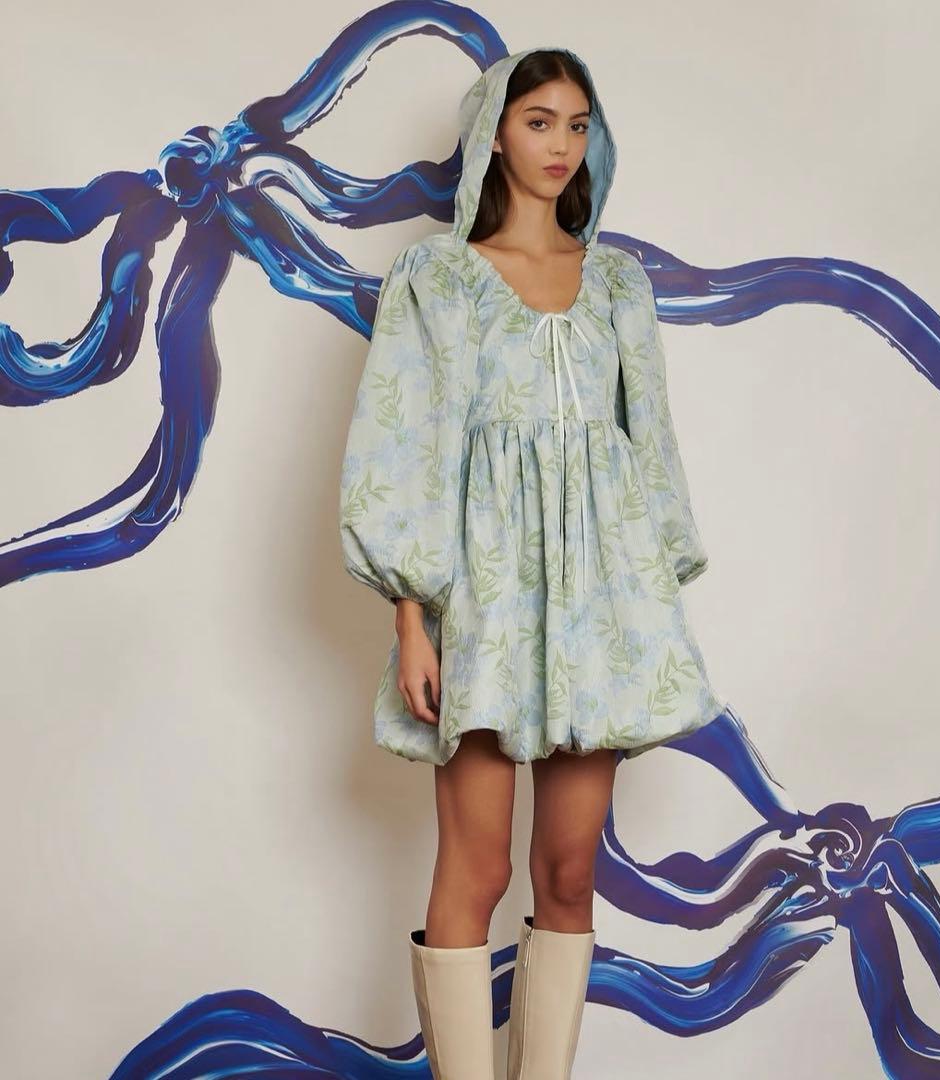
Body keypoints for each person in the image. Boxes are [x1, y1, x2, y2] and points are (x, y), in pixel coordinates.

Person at [339, 45, 727, 1080]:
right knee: (473, 869)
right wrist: (411, 617)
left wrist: (650, 610)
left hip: (599, 606)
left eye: (577, 124)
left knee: (566, 874)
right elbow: (405, 446)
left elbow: (649, 447)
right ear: (494, 134)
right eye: (539, 120)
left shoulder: (619, 283)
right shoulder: (437, 279)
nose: (561, 144)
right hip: (483, 599)